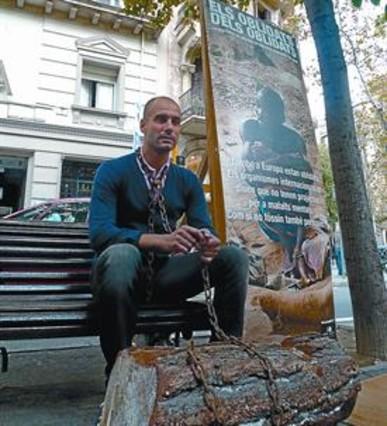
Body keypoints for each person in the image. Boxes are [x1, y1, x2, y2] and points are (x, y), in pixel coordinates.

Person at [89, 96, 249, 380]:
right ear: (143, 126)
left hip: (165, 276)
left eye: (175, 121)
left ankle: (223, 360)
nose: (169, 127)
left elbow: (205, 227)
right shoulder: (112, 171)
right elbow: (100, 234)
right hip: (121, 278)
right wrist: (157, 241)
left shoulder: (186, 180)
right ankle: (120, 371)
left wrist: (207, 242)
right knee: (122, 254)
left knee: (233, 256)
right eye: (161, 119)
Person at [240, 86, 313, 276]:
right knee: (271, 202)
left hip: (290, 189)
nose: (267, 112)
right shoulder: (251, 127)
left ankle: (297, 251)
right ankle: (289, 247)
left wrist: (274, 159)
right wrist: (281, 161)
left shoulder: (292, 137)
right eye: (264, 107)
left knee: (298, 199)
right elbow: (249, 164)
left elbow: (306, 171)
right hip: (270, 194)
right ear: (258, 109)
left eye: (273, 108)